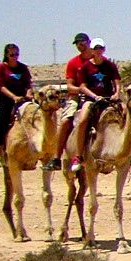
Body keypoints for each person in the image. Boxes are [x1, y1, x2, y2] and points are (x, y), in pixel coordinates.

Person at [66, 42, 122, 173]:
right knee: (83, 120)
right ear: (92, 50)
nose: (98, 51)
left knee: (126, 113)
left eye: (101, 48)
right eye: (96, 48)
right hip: (92, 100)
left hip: (109, 100)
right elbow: (83, 87)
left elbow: (117, 82)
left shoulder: (110, 65)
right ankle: (78, 156)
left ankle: (130, 154)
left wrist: (116, 93)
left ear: (104, 49)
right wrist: (95, 96)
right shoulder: (86, 67)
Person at [48, 32, 94, 170]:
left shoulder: (98, 59)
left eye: (83, 42)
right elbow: (69, 86)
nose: (80, 45)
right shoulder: (73, 63)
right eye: (78, 43)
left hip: (98, 95)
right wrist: (82, 90)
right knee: (65, 121)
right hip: (78, 96)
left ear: (88, 42)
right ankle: (56, 158)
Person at [0, 43, 33, 160]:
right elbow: (1, 86)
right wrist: (13, 97)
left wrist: (28, 93)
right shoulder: (1, 68)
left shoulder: (23, 68)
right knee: (2, 123)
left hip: (22, 99)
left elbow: (28, 84)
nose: (15, 56)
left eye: (17, 54)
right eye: (12, 54)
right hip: (7, 100)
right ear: (6, 55)